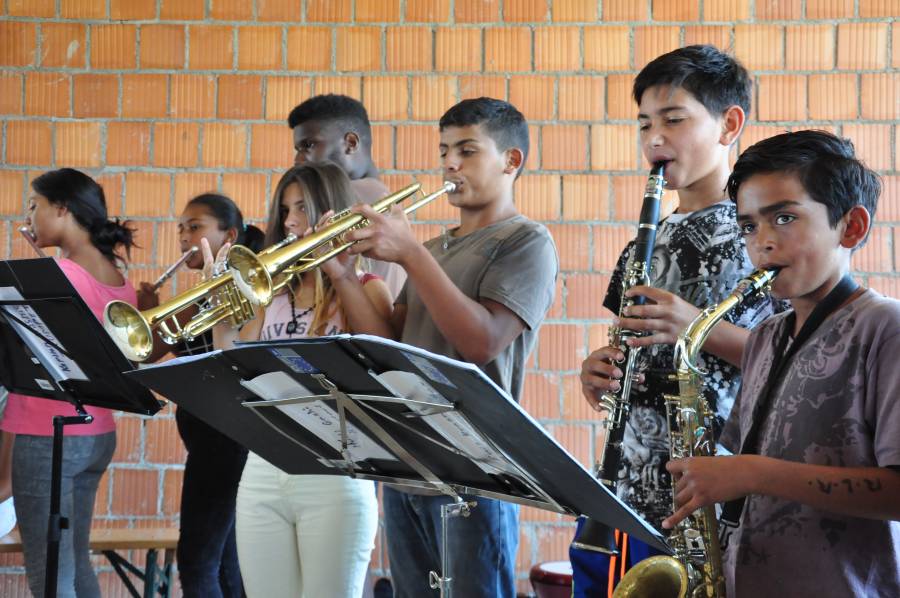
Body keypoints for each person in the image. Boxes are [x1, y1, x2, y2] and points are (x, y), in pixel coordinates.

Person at [572, 45, 782, 595]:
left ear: (729, 125)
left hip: (714, 493)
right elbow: (627, 345)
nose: (654, 139)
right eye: (644, 124)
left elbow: (788, 359)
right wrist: (596, 373)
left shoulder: (760, 235)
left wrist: (697, 327)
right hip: (628, 485)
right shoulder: (648, 237)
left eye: (674, 119)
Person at [663, 130, 900, 597]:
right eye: (749, 226)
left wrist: (752, 473)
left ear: (851, 227)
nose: (762, 244)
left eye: (784, 218)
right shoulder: (768, 336)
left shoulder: (885, 328)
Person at [345, 97, 559, 598]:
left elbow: (481, 342)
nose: (449, 164)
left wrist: (411, 253)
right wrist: (343, 278)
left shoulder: (525, 241)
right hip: (408, 463)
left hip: (475, 470)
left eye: (466, 150)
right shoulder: (438, 248)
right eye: (444, 151)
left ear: (511, 161)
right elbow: (389, 342)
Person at [210, 163, 394, 598]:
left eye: (302, 209)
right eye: (285, 210)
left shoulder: (367, 287)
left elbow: (383, 359)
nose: (290, 221)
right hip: (263, 467)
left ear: (331, 212)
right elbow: (235, 371)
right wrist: (221, 312)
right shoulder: (270, 294)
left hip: (336, 471)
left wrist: (337, 270)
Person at [0, 168, 136, 597]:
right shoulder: (116, 275)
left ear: (62, 209)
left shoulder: (60, 278)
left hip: (48, 435)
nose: (29, 216)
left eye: (34, 206)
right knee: (75, 564)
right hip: (96, 434)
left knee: (49, 574)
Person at [137, 194, 265, 598]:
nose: (184, 236)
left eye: (195, 226)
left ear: (228, 235)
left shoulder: (235, 294)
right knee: (225, 566)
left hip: (225, 443)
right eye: (181, 228)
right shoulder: (199, 300)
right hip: (208, 441)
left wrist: (156, 318)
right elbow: (154, 350)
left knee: (197, 563)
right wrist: (150, 311)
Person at [287, 94, 406, 297]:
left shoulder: (360, 194)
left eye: (309, 145)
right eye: (298, 149)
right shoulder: (379, 193)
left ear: (350, 143)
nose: (298, 160)